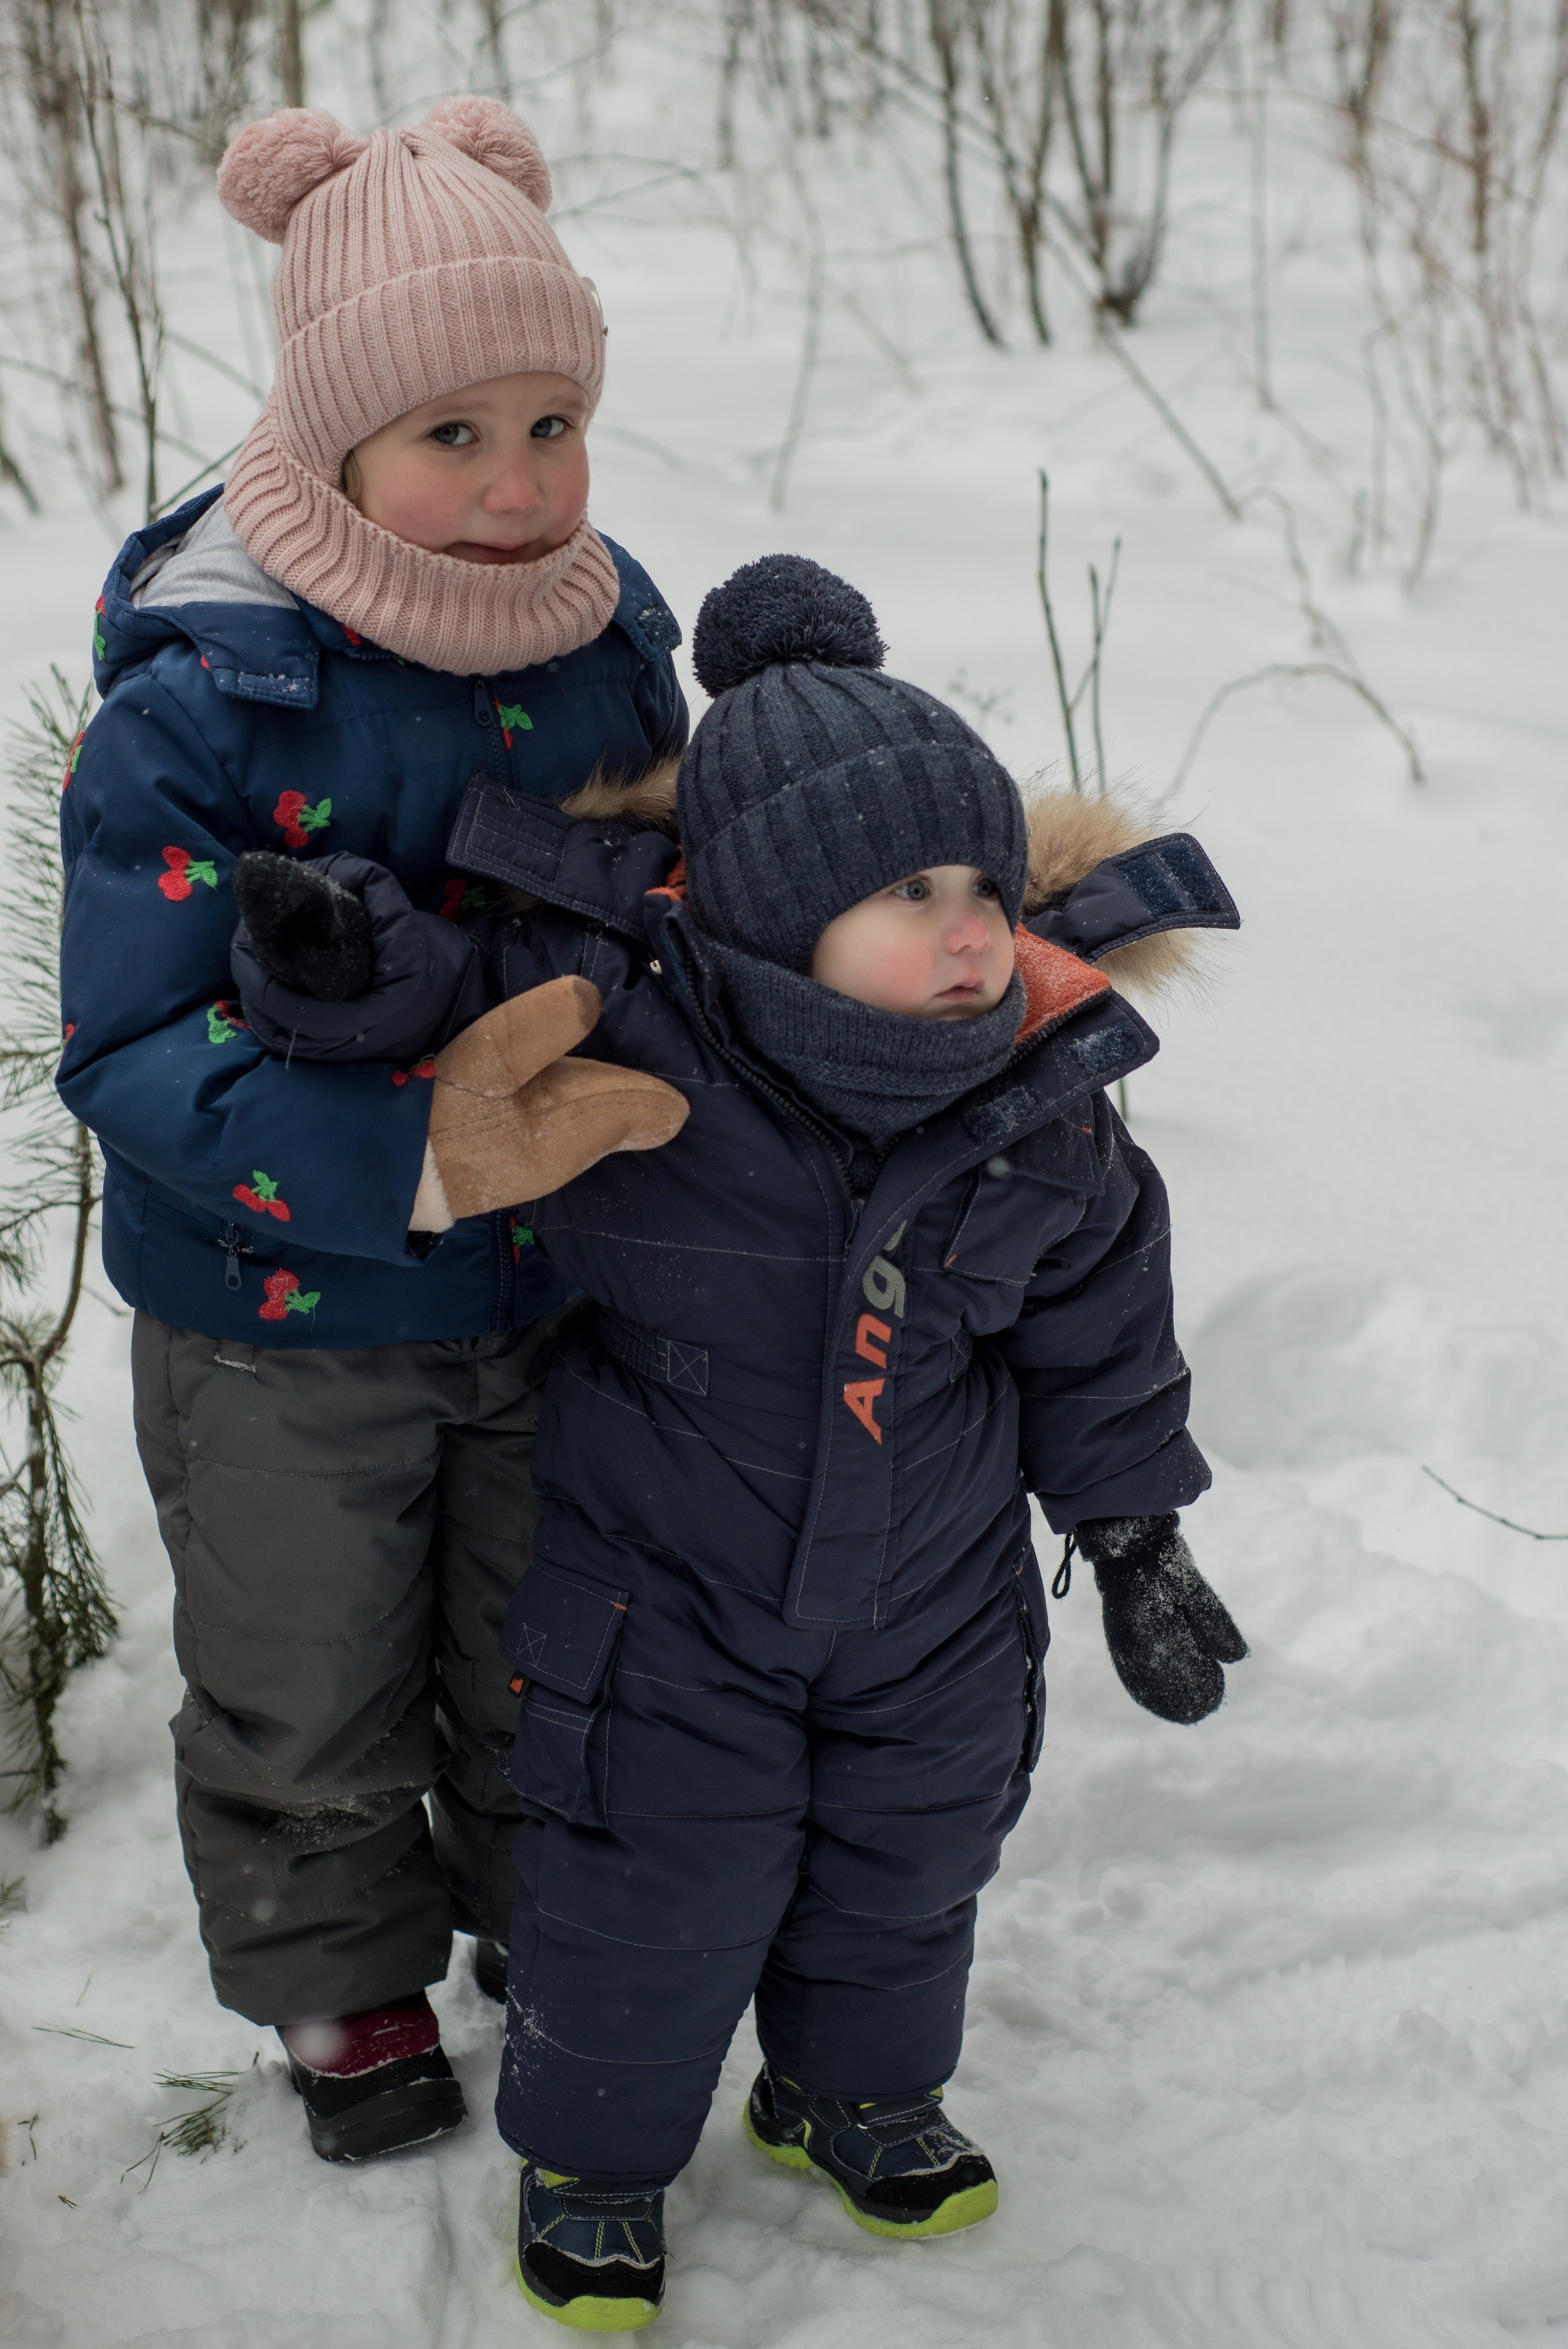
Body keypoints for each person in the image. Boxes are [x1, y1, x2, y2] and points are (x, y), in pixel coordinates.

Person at [243, 552, 1249, 2329]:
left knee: (914, 1856)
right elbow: (436, 1021)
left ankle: (852, 2091)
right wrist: (330, 968)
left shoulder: (1038, 1105)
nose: (966, 929)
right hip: (667, 1596)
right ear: (776, 908)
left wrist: (1137, 1538)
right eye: (906, 890)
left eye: (981, 885)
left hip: (936, 1597)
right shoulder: (647, 1026)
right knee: (653, 1876)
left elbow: (1102, 1334)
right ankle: (600, 2160)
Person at [53, 94, 688, 2164]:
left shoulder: (612, 645)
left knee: (543, 1628)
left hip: (555, 1284)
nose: (515, 488)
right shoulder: (205, 694)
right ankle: (340, 1969)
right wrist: (405, 1154)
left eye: (550, 424)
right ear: (330, 439)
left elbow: (673, 910)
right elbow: (129, 1044)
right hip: (276, 1305)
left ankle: (547, 1903)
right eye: (450, 436)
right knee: (304, 1656)